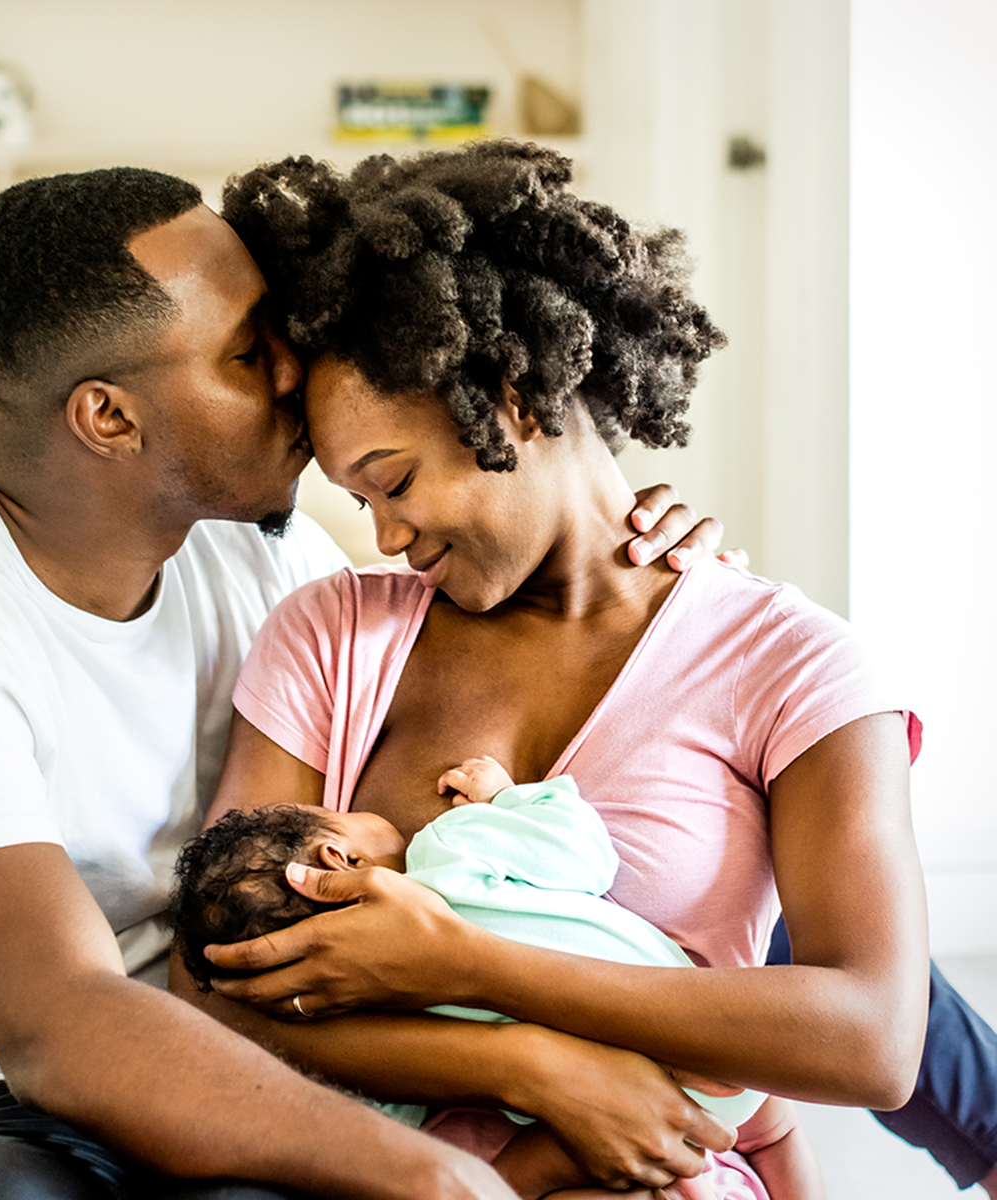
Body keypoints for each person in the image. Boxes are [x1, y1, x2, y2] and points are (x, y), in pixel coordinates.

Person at [0, 165, 723, 1200]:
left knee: (759, 861)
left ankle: (949, 1119)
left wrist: (609, 547)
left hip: (238, 1035)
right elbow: (57, 1025)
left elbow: (494, 627)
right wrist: (445, 1177)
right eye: (249, 352)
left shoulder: (253, 548)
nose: (298, 371)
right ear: (108, 418)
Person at [162, 141, 936, 1198]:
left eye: (394, 482)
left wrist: (466, 966)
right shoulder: (334, 635)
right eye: (358, 503)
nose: (386, 538)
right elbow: (209, 989)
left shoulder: (790, 665)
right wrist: (531, 1062)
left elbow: (873, 1039)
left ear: (512, 397)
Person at [171, 756, 826, 1200]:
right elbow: (583, 854)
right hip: (694, 1036)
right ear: (337, 857)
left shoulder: (363, 1002)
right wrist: (505, 799)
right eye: (338, 810)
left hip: (609, 1110)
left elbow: (388, 1103)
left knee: (544, 1150)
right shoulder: (445, 851)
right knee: (776, 1121)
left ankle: (509, 1183)